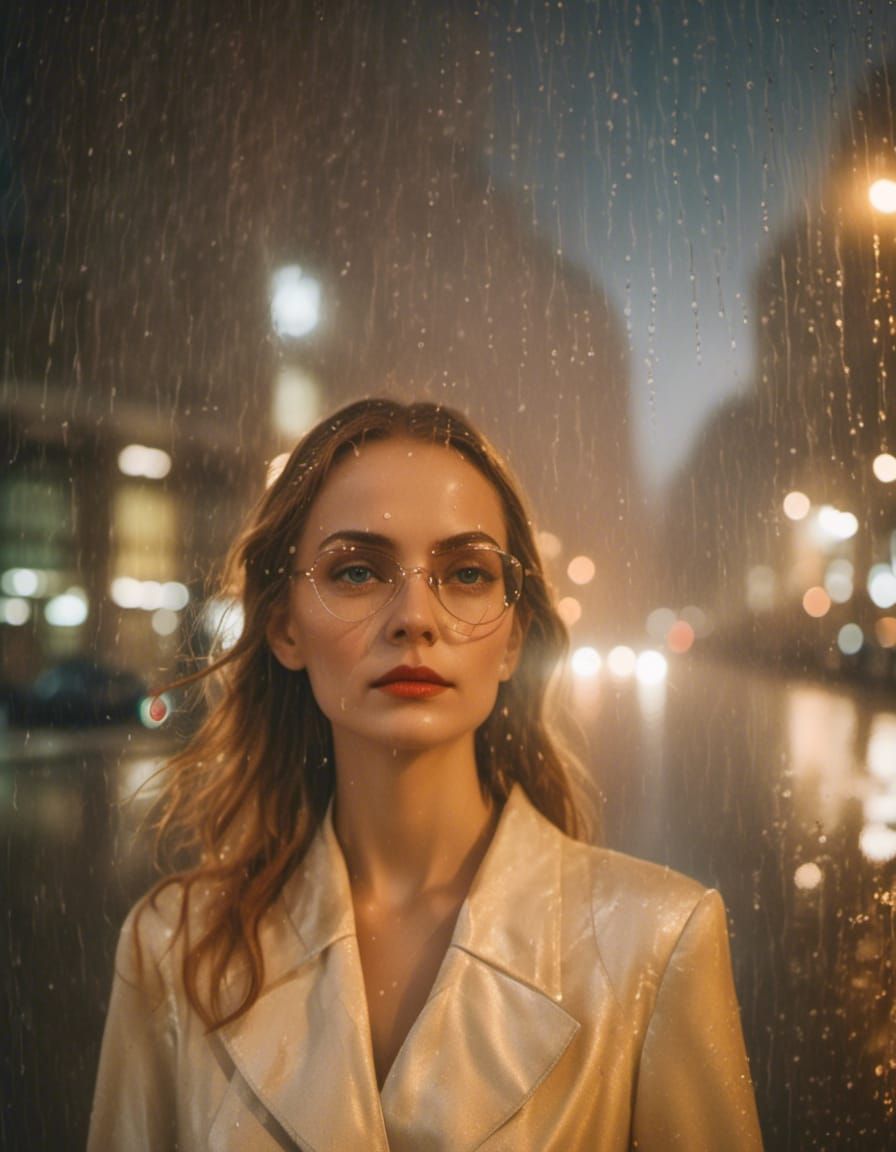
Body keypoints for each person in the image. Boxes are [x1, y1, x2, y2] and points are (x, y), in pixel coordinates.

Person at [88, 398, 763, 1151]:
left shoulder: (656, 940)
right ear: (283, 627)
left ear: (512, 641)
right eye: (357, 571)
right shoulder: (177, 949)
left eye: (466, 573)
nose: (415, 616)